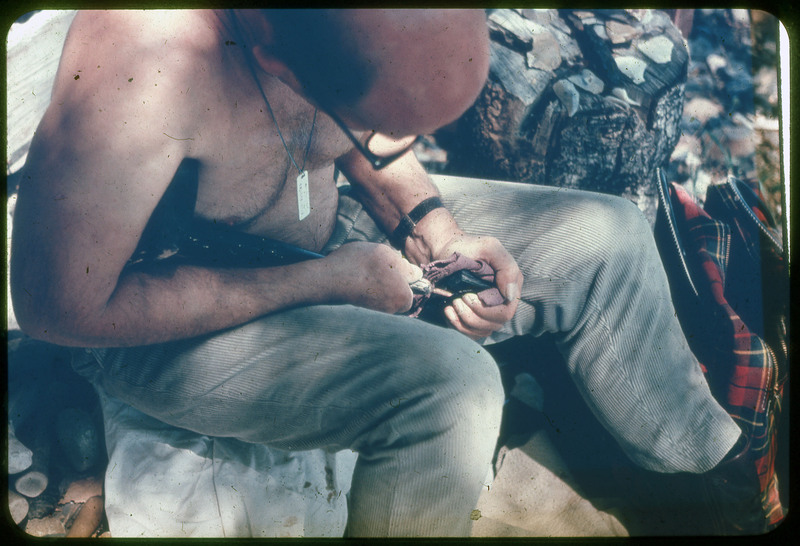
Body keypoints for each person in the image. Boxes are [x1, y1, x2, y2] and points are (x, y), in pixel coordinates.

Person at [9, 9, 768, 536]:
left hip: (317, 235)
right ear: (274, 56)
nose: (391, 143)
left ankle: (702, 478)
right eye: (370, 120)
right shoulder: (143, 72)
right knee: (452, 390)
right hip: (158, 314)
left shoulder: (321, 51)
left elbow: (366, 138)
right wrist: (326, 282)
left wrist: (438, 229)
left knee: (609, 236)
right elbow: (58, 307)